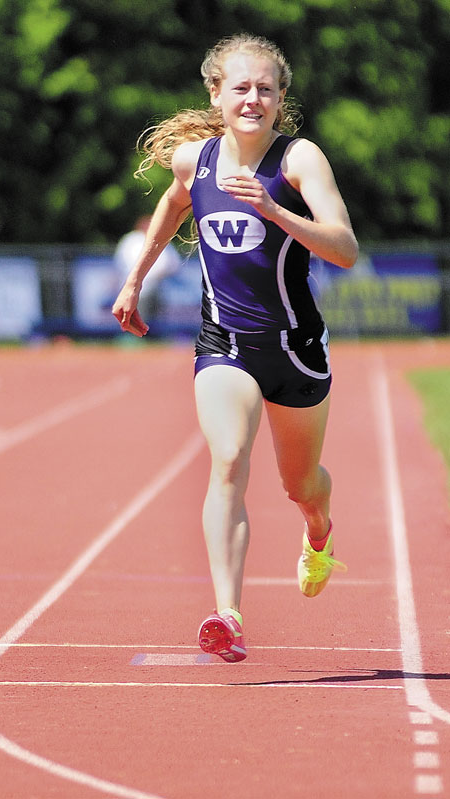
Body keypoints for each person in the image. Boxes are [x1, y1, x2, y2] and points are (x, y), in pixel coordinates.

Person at [112, 33, 358, 662]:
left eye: (266, 89)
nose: (253, 99)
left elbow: (345, 249)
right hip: (225, 344)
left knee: (300, 484)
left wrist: (277, 211)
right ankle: (228, 614)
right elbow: (174, 205)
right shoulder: (195, 160)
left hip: (296, 349)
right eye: (241, 87)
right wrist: (135, 280)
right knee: (227, 460)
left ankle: (320, 531)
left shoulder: (299, 159)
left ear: (280, 99)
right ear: (215, 93)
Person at [113, 214, 182, 329]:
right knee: (134, 319)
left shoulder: (162, 239)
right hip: (134, 287)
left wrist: (159, 272)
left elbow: (173, 264)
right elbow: (123, 262)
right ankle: (131, 338)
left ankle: (154, 337)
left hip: (158, 287)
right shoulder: (132, 240)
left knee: (156, 320)